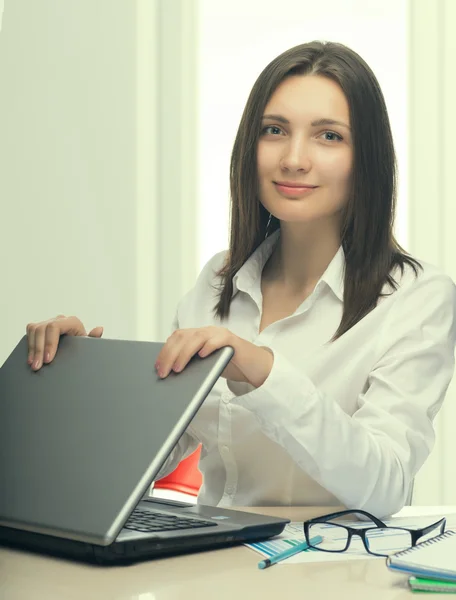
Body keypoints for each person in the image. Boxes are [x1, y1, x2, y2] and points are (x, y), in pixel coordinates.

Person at [26, 41, 456, 518]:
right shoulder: (218, 277)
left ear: (367, 159)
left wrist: (264, 371)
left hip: (330, 572)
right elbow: (152, 457)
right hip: (207, 564)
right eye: (274, 131)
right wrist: (80, 383)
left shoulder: (418, 298)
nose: (293, 158)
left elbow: (386, 484)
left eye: (328, 136)